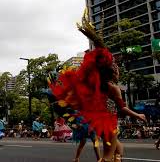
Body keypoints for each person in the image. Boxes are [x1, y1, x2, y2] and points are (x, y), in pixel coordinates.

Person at [51, 11, 147, 162]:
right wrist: (138, 115)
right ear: (113, 72)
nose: (118, 69)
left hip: (100, 120)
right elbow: (122, 107)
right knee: (108, 156)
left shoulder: (100, 85)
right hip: (108, 121)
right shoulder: (112, 88)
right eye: (116, 67)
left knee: (117, 148)